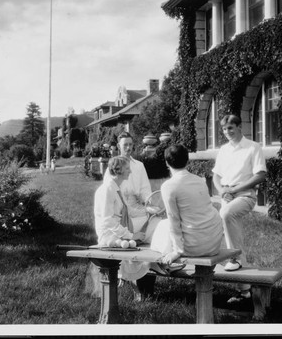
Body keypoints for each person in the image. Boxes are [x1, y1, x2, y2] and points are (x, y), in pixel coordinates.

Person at [212, 114, 267, 303]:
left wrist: (236, 189)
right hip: (226, 196)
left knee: (226, 214)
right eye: (224, 129)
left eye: (231, 128)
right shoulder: (224, 150)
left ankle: (234, 261)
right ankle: (243, 290)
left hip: (246, 195)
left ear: (239, 127)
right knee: (223, 232)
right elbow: (216, 177)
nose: (227, 132)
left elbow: (260, 175)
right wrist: (222, 191)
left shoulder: (253, 147)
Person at [149, 144, 224, 274]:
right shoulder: (200, 181)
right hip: (214, 243)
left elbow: (173, 219)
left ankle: (158, 264)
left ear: (167, 163)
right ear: (187, 161)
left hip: (195, 246)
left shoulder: (169, 186)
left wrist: (177, 251)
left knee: (162, 224)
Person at [103, 132, 156, 242]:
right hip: (121, 215)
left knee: (158, 221)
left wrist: (149, 203)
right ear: (118, 146)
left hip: (138, 211)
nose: (128, 148)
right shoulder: (112, 168)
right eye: (125, 145)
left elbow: (145, 190)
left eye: (130, 144)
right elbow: (109, 195)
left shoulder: (139, 166)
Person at [94, 156, 145, 247]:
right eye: (127, 168)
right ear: (118, 170)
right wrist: (131, 236)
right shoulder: (107, 190)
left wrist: (148, 211)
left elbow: (129, 211)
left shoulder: (117, 188)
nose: (130, 171)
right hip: (109, 236)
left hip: (120, 230)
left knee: (151, 220)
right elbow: (107, 220)